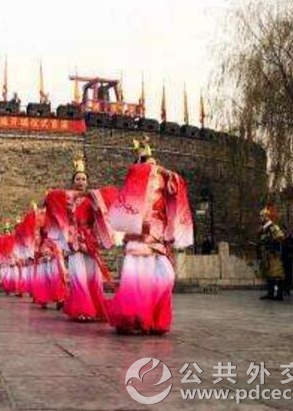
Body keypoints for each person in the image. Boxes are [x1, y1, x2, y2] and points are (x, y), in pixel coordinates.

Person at [108, 136, 193, 335]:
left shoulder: (163, 177)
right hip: (138, 232)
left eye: (153, 162)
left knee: (166, 276)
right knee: (137, 277)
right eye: (146, 162)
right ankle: (133, 318)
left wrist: (167, 174)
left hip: (157, 232)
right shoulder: (134, 180)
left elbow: (177, 187)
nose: (151, 166)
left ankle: (153, 317)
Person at [44, 159, 116, 321]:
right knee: (78, 275)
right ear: (72, 182)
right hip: (74, 240)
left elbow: (109, 200)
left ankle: (95, 308)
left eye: (84, 179)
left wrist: (95, 197)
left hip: (89, 240)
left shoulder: (93, 198)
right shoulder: (66, 199)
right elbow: (49, 198)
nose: (81, 182)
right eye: (77, 179)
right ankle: (82, 310)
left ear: (87, 182)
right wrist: (74, 195)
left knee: (93, 276)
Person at [257, 205, 286, 301]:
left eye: (262, 216)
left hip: (274, 254)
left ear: (266, 216)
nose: (260, 218)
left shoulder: (273, 227)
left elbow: (281, 237)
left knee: (277, 274)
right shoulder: (263, 228)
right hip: (266, 253)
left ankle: (279, 294)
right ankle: (270, 293)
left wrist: (270, 240)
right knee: (268, 274)